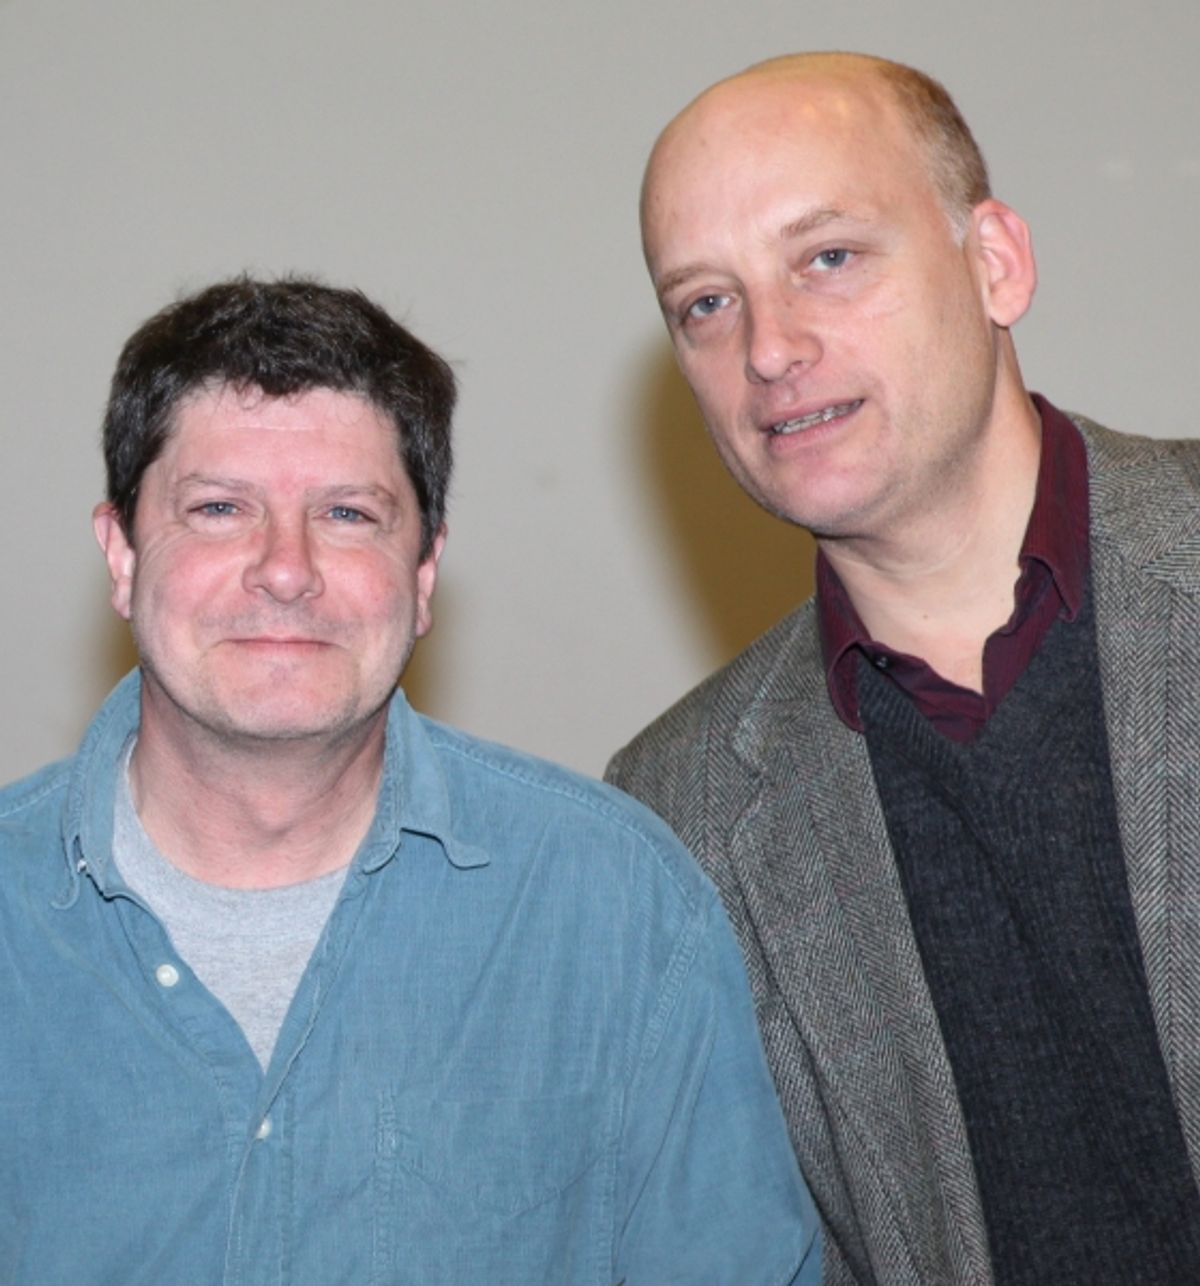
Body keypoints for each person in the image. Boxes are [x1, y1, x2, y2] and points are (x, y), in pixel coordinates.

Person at [0, 276, 819, 1284]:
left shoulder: (620, 911)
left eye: (348, 513)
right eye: (218, 509)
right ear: (122, 553)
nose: (285, 569)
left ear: (424, 572)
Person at [606, 51, 1200, 1286]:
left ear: (996, 263)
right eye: (706, 303)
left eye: (828, 256)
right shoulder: (678, 816)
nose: (769, 347)